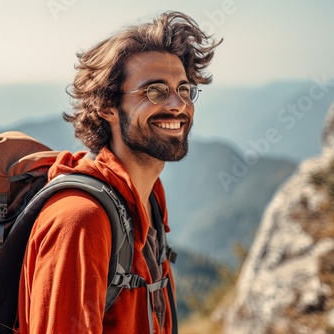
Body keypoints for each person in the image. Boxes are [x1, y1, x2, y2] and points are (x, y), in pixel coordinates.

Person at [17, 10, 221, 334]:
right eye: (155, 91)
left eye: (184, 90)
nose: (178, 105)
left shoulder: (149, 202)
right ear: (107, 107)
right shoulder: (80, 221)